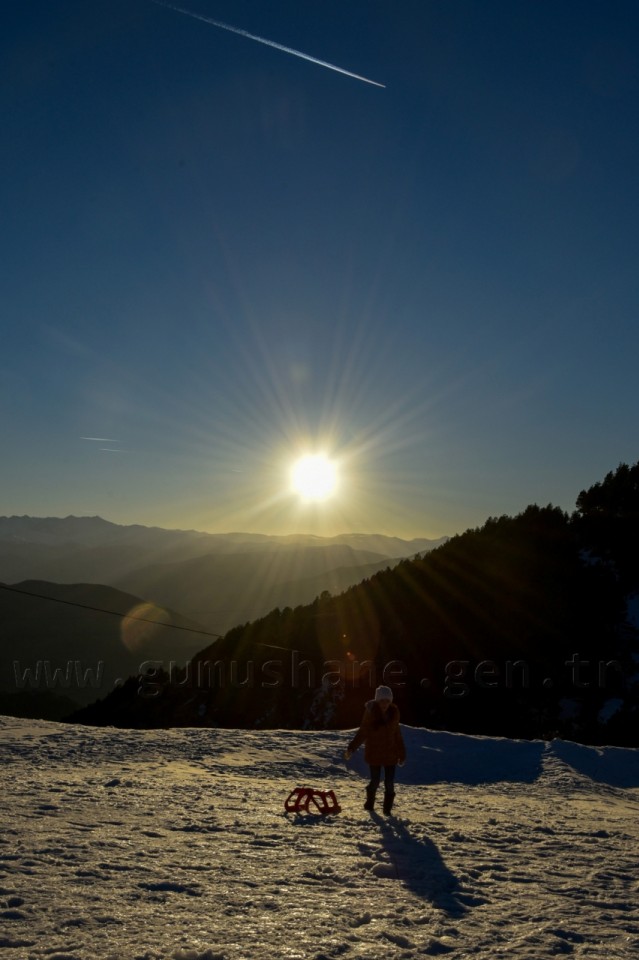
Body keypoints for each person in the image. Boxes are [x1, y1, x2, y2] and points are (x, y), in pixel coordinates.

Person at [344, 685, 406, 814]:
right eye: (382, 701)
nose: (384, 704)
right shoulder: (371, 714)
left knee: (389, 784)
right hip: (374, 754)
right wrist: (351, 748)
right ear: (377, 701)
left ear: (390, 702)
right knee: (375, 781)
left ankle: (387, 810)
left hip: (390, 755)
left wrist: (402, 754)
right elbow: (362, 733)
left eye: (387, 701)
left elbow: (397, 735)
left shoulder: (394, 714)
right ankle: (369, 804)